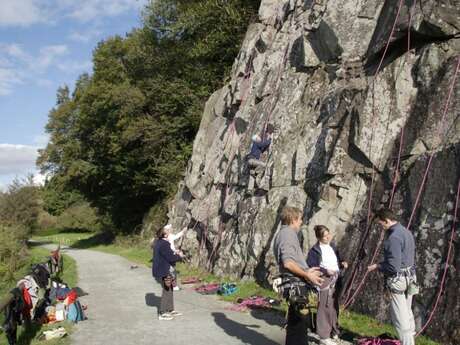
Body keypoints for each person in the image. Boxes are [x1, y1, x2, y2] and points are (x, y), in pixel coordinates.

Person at [273, 206, 324, 345]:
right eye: (300, 219)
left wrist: (307, 270)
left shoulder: (284, 233)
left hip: (294, 285)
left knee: (296, 323)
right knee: (300, 324)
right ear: (293, 219)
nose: (301, 222)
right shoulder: (288, 234)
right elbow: (288, 262)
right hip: (296, 286)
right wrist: (307, 274)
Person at [367, 208, 417, 345]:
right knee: (407, 312)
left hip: (399, 280)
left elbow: (393, 267)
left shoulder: (393, 237)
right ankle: (411, 340)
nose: (381, 227)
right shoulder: (406, 232)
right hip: (410, 277)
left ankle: (408, 343)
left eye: (381, 224)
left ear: (387, 221)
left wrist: (378, 266)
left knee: (400, 319)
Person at [307, 225, 348, 345]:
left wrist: (342, 263)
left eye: (328, 234)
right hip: (325, 280)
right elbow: (312, 266)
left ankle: (334, 330)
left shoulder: (332, 246)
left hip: (336, 278)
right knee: (324, 306)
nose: (328, 237)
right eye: (325, 236)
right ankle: (323, 336)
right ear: (319, 238)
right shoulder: (315, 251)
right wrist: (325, 271)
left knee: (334, 306)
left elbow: (336, 261)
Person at [152, 226, 184, 320]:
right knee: (167, 289)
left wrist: (175, 252)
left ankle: (170, 310)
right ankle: (162, 313)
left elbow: (167, 254)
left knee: (169, 288)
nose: (170, 232)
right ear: (165, 234)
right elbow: (170, 258)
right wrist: (180, 256)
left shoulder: (159, 242)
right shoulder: (164, 244)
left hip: (163, 269)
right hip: (164, 270)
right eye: (168, 231)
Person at [247, 125, 274, 191]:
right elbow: (263, 144)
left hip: (250, 161)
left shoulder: (255, 146)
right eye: (259, 138)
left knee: (252, 174)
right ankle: (262, 183)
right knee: (266, 166)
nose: (260, 138)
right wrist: (269, 139)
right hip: (253, 160)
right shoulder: (256, 142)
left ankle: (249, 189)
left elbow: (262, 149)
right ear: (256, 139)